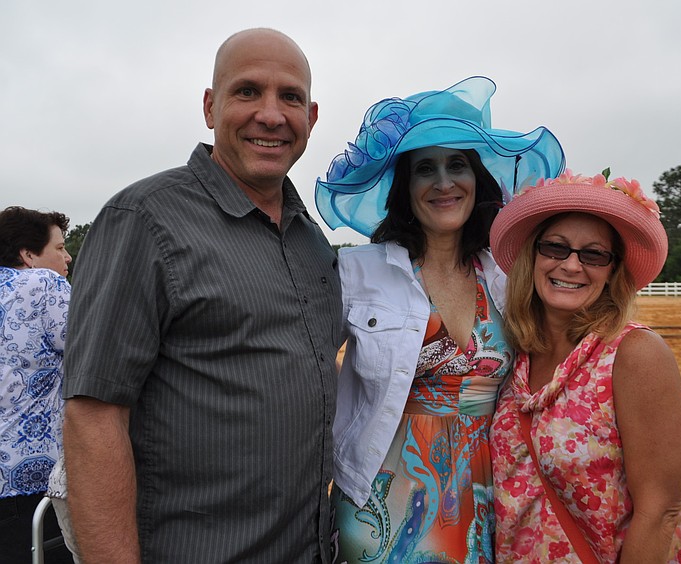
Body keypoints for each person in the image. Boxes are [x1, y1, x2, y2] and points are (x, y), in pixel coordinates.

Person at [61, 28, 342, 563]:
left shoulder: (311, 239)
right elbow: (94, 417)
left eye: (291, 97)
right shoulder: (144, 220)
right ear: (210, 107)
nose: (271, 114)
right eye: (247, 91)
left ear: (311, 116)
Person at [315, 76, 564, 563]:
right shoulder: (356, 272)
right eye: (425, 169)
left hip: (490, 501)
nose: (444, 182)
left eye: (458, 166)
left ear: (478, 180)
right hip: (379, 504)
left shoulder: (507, 276)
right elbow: (303, 360)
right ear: (405, 188)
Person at [488, 170, 681, 562]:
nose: (572, 266)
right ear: (534, 256)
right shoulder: (517, 356)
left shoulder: (634, 354)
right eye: (556, 248)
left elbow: (660, 511)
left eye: (594, 254)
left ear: (613, 269)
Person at [0, 206, 74, 563]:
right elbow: (99, 353)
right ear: (28, 256)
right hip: (26, 485)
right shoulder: (42, 284)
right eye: (58, 248)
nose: (68, 256)